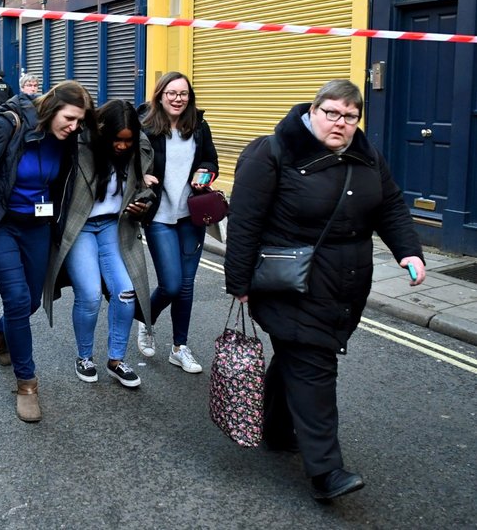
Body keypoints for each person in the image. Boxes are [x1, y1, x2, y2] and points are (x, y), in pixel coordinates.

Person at [224, 79, 426, 500]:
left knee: (297, 356)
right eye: (332, 112)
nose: (341, 123)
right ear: (312, 110)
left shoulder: (365, 154)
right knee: (313, 362)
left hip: (345, 284)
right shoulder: (273, 152)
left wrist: (408, 251)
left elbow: (389, 204)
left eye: (350, 116)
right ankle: (326, 471)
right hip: (288, 283)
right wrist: (239, 281)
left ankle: (276, 429)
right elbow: (244, 221)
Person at [0, 81, 93, 422]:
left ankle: (2, 329)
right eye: (70, 118)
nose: (74, 127)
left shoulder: (68, 138)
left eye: (79, 122)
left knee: (31, 301)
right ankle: (27, 384)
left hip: (36, 227)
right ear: (53, 107)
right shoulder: (8, 124)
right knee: (17, 298)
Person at [43, 99, 153, 388]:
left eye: (127, 141)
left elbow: (143, 189)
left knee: (126, 293)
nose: (122, 146)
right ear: (104, 132)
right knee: (90, 294)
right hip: (80, 229)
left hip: (113, 228)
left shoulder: (137, 152)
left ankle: (116, 360)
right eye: (117, 139)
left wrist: (142, 204)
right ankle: (84, 357)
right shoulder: (79, 148)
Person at [135, 71, 218, 374]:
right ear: (160, 95)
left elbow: (211, 161)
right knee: (170, 284)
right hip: (159, 215)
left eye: (183, 94)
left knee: (185, 286)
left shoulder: (198, 126)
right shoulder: (145, 127)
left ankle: (179, 347)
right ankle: (145, 320)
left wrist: (204, 174)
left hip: (191, 216)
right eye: (171, 93)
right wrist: (140, 175)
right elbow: (126, 159)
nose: (177, 99)